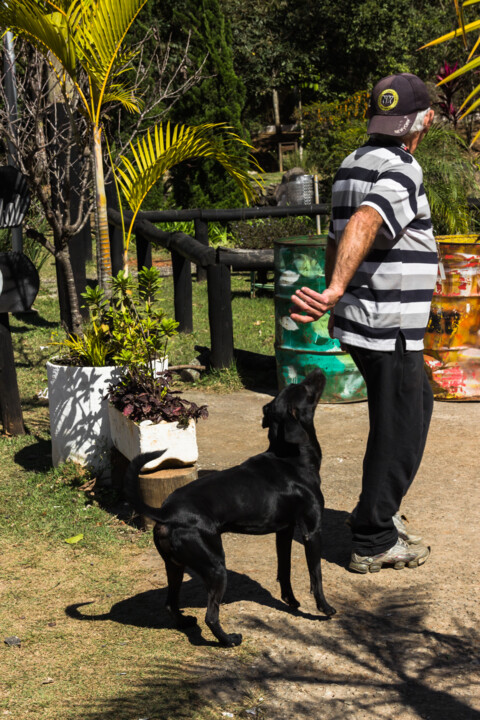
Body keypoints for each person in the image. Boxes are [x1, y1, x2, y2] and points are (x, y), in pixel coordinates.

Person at [290, 73, 437, 573]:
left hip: (364, 320)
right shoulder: (403, 167)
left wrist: (337, 291)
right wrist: (333, 289)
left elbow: (337, 233)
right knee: (399, 427)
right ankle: (374, 538)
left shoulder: (353, 162)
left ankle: (379, 513)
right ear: (424, 121)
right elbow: (364, 223)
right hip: (388, 322)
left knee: (411, 407)